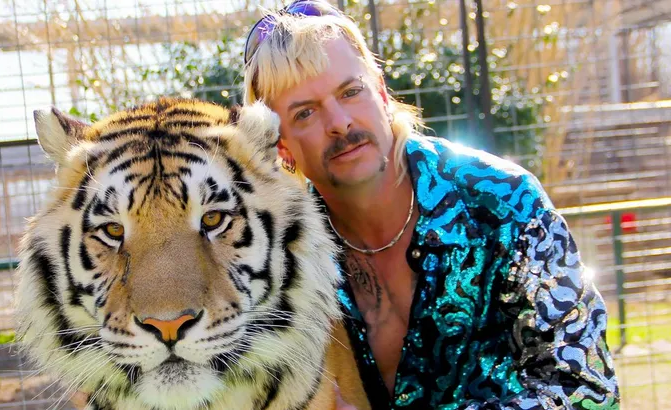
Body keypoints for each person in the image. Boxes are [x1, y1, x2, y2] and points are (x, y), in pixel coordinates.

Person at [242, 1, 621, 409]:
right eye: (305, 113)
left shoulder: (504, 202)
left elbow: (588, 390)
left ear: (381, 93)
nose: (339, 122)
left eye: (351, 92)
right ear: (281, 147)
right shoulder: (282, 261)